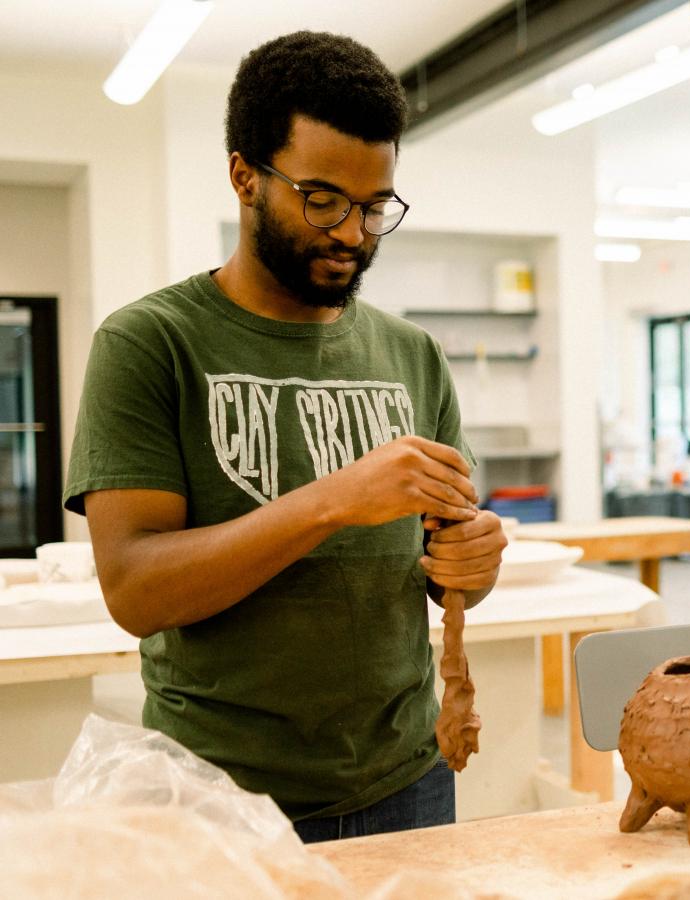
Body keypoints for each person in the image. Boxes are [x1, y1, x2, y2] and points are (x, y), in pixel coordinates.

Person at [62, 32, 505, 843]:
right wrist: (333, 501)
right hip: (217, 796)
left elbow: (448, 573)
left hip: (408, 780)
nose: (353, 234)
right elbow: (134, 592)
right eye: (323, 199)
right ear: (245, 176)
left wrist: (474, 562)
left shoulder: (413, 354)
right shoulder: (150, 343)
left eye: (375, 207)